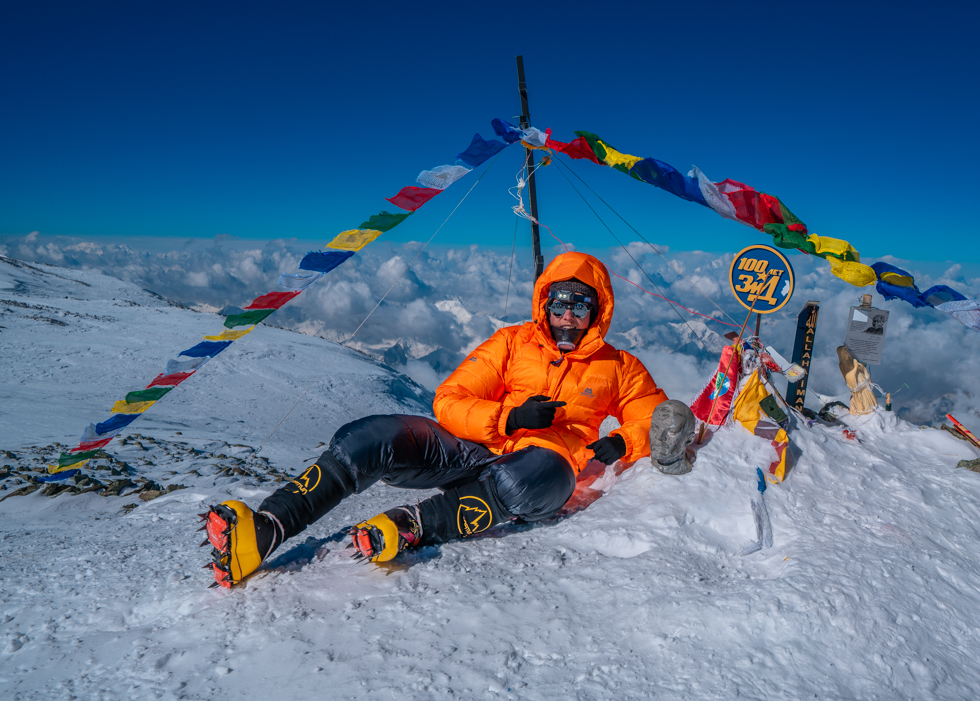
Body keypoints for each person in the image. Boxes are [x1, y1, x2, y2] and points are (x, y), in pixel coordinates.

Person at [203, 252, 671, 587]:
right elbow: (449, 400)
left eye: (580, 306)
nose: (568, 317)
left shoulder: (620, 366)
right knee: (367, 439)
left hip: (541, 464)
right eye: (559, 304)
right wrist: (507, 418)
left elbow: (658, 415)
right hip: (478, 443)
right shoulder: (511, 343)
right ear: (544, 304)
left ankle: (410, 526)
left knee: (535, 479)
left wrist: (625, 441)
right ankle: (268, 526)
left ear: (598, 311)